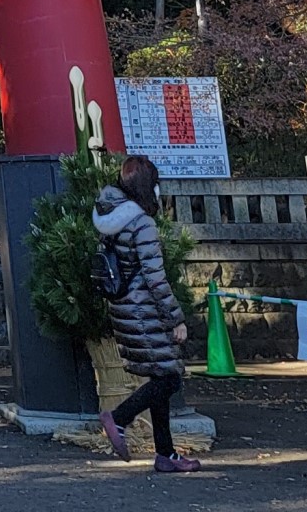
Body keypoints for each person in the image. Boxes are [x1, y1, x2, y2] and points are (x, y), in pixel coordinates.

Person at [93, 154, 199, 473]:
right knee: (170, 378)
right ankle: (119, 417)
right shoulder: (142, 223)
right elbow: (155, 278)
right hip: (144, 310)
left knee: (159, 376)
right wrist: (176, 318)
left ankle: (166, 454)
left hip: (121, 305)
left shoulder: (109, 218)